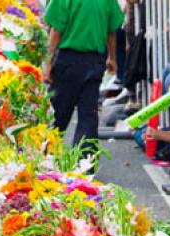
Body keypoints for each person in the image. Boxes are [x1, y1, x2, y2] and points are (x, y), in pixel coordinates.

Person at [43, 0, 125, 158]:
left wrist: (48, 63)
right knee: (88, 115)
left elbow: (56, 30)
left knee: (59, 113)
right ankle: (84, 163)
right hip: (95, 61)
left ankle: (47, 157)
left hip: (68, 61)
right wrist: (112, 58)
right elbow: (112, 29)